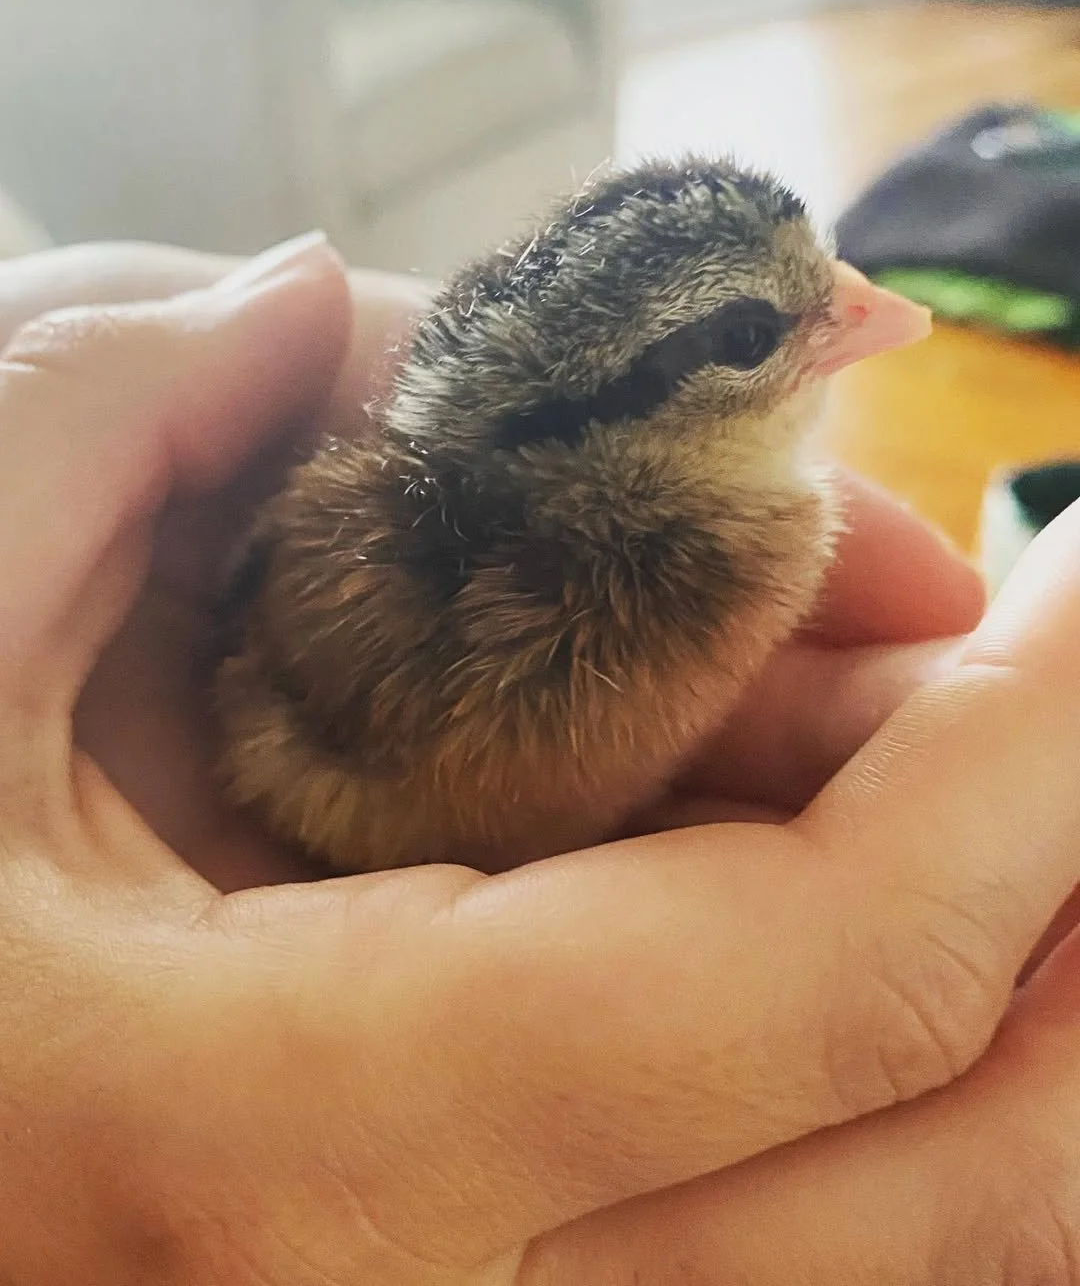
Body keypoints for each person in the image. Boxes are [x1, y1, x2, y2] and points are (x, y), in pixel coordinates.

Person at [1, 231, 1077, 1285]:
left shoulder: (709, 531)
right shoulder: (478, 589)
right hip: (324, 820)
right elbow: (303, 721)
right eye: (752, 334)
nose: (852, 301)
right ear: (628, 409)